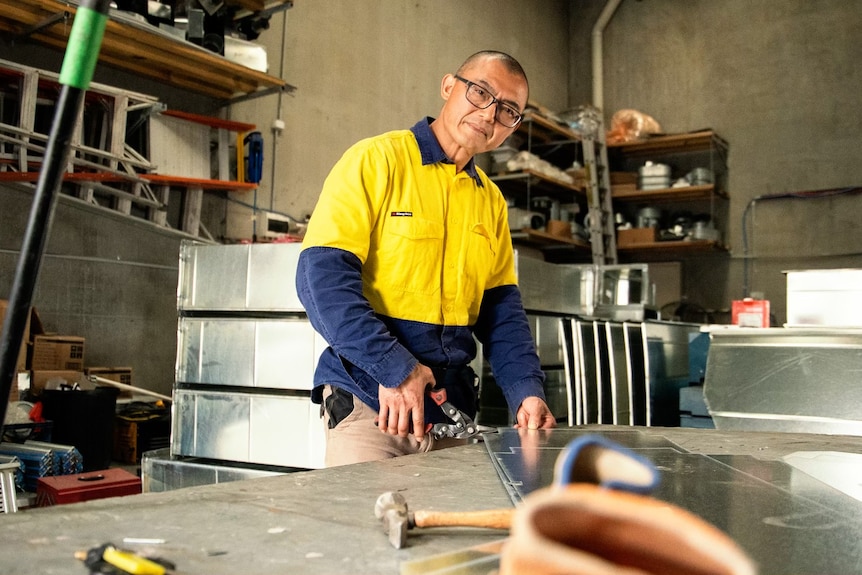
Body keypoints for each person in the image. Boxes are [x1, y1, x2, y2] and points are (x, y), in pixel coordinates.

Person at [296, 50, 556, 467]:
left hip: (450, 412)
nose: (490, 114)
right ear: (449, 86)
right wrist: (394, 370)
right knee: (367, 530)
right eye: (481, 93)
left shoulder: (490, 201)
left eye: (509, 110)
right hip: (371, 406)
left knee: (452, 531)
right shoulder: (376, 161)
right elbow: (321, 281)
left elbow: (501, 311)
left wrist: (526, 389)